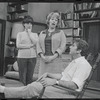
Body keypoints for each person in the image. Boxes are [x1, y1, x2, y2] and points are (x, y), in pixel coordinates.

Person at [0, 39, 92, 98]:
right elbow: (63, 76)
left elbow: (74, 85)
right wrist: (48, 74)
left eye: (73, 46)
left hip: (68, 93)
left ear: (79, 50)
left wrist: (54, 82)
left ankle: (4, 91)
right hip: (62, 88)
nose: (70, 47)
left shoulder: (83, 64)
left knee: (34, 87)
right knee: (34, 85)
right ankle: (6, 91)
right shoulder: (74, 62)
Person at [37, 11, 66, 77]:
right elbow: (38, 45)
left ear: (57, 23)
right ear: (48, 21)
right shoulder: (42, 33)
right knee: (42, 80)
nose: (54, 21)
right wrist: (42, 56)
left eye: (56, 20)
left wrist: (52, 57)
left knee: (53, 81)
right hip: (43, 60)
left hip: (55, 60)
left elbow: (62, 46)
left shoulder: (61, 33)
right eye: (52, 19)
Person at [16, 15, 39, 85]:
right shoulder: (19, 34)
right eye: (27, 23)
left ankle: (28, 94)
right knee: (22, 78)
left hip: (32, 58)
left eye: (31, 23)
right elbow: (18, 45)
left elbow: (36, 43)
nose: (29, 25)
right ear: (24, 24)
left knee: (29, 78)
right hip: (22, 58)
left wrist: (29, 34)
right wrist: (30, 46)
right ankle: (21, 94)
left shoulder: (34, 34)